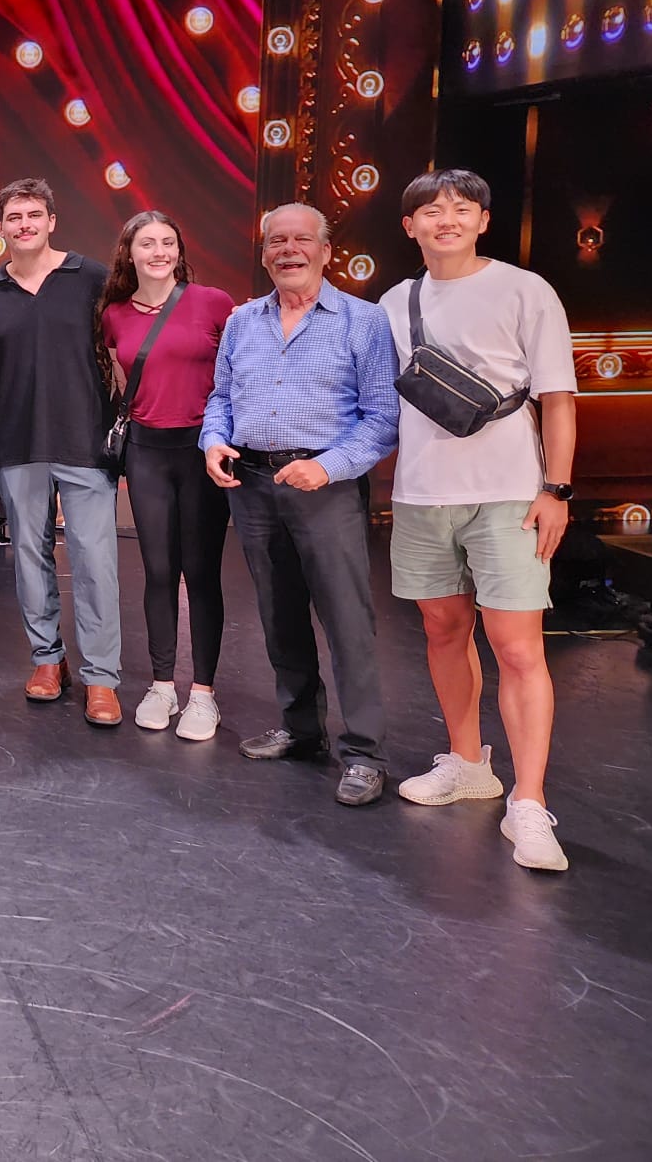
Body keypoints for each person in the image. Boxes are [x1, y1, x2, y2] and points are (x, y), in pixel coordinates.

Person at [379, 169, 577, 871]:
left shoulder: (526, 290)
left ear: (483, 220)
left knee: (518, 647)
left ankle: (528, 801)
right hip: (423, 492)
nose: (446, 220)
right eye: (431, 212)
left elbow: (557, 398)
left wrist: (556, 489)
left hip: (510, 492)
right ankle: (468, 762)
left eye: (461, 209)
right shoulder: (396, 300)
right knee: (442, 628)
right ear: (410, 227)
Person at [202, 203, 400, 807]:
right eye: (276, 242)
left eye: (301, 240)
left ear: (325, 250)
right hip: (255, 485)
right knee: (278, 613)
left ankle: (364, 753)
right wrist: (213, 440)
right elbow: (220, 397)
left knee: (346, 620)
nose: (288, 250)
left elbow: (383, 419)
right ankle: (303, 730)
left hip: (326, 485)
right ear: (264, 254)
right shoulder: (241, 322)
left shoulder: (363, 322)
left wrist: (326, 466)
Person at [0, 179, 124, 725]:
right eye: (14, 217)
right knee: (29, 562)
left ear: (52, 220)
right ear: (0, 228)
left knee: (95, 562)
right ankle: (47, 660)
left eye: (34, 214)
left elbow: (127, 342)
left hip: (85, 440)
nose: (25, 224)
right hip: (17, 442)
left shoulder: (93, 279)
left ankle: (101, 678)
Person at [96, 211, 236, 742]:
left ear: (180, 250)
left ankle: (203, 693)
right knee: (157, 571)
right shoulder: (114, 314)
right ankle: (161, 684)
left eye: (168, 242)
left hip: (202, 449)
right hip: (148, 452)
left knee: (200, 573)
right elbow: (125, 379)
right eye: (147, 243)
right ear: (129, 253)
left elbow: (234, 374)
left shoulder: (214, 302)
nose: (158, 251)